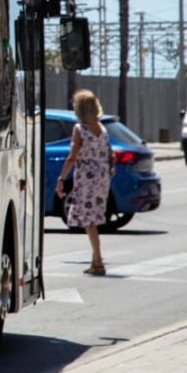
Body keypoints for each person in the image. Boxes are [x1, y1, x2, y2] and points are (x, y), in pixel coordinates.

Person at [55, 89, 115, 276]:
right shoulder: (102, 129)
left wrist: (62, 178)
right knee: (94, 217)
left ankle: (99, 261)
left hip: (86, 177)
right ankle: (94, 262)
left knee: (89, 221)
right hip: (102, 177)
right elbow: (109, 153)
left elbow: (72, 156)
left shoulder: (80, 129)